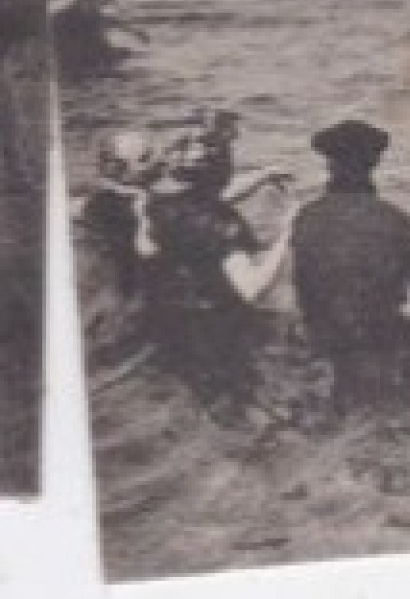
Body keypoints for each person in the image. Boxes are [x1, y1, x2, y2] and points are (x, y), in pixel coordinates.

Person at [291, 119, 410, 410]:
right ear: (375, 163)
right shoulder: (393, 220)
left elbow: (302, 291)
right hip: (382, 352)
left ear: (329, 165)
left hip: (323, 349)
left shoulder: (305, 219)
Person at [141, 134, 297, 415]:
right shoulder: (221, 226)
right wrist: (287, 235)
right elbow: (252, 288)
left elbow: (213, 196)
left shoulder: (158, 203)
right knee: (243, 400)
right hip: (217, 327)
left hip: (174, 320)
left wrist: (262, 175)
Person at [81, 130, 166, 296]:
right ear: (118, 167)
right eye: (145, 158)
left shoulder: (140, 196)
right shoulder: (104, 207)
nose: (158, 163)